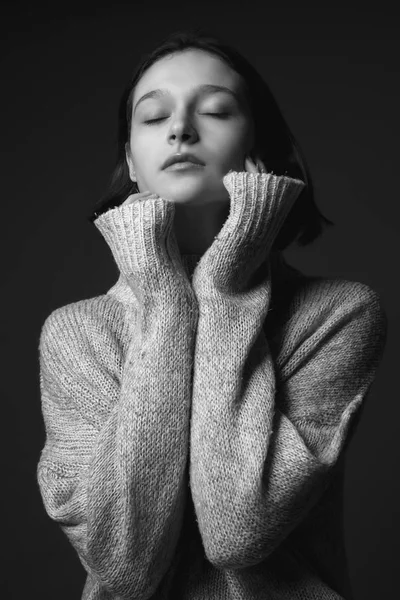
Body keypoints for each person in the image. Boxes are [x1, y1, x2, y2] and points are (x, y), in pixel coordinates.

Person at [36, 28, 388, 600]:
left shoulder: (338, 315)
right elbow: (124, 567)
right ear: (130, 160)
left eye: (217, 110)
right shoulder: (77, 333)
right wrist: (165, 301)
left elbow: (237, 530)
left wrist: (226, 289)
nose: (181, 128)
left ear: (261, 148)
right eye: (154, 118)